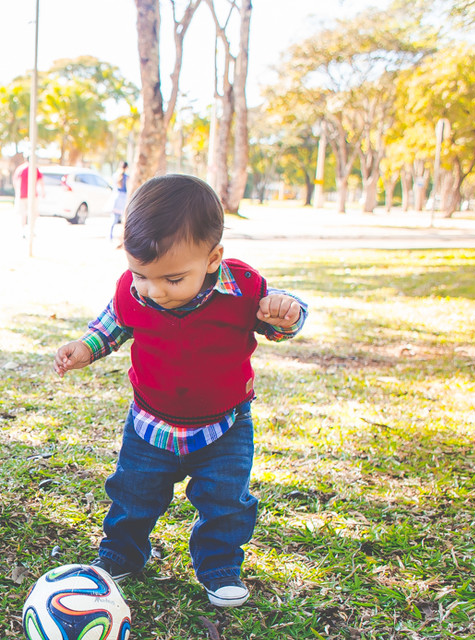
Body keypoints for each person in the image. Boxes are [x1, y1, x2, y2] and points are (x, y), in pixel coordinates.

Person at [53, 174, 307, 608]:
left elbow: (277, 324)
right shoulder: (135, 290)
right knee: (132, 493)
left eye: (172, 279)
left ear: (213, 259)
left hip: (224, 426)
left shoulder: (244, 288)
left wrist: (287, 315)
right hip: (150, 422)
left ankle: (220, 566)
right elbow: (113, 326)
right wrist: (84, 349)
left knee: (225, 500)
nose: (153, 291)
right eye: (141, 276)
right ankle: (121, 554)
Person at [14, 161, 42, 234]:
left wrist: (17, 192)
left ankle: (23, 230)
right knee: (32, 213)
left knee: (23, 214)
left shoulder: (20, 169)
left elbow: (15, 182)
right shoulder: (34, 169)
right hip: (32, 195)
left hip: (22, 195)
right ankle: (31, 230)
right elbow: (40, 180)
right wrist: (42, 191)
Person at [109, 161, 128, 244]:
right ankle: (121, 238)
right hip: (123, 198)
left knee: (113, 219)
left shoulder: (115, 175)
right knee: (123, 219)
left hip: (115, 197)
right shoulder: (127, 177)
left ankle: (110, 236)